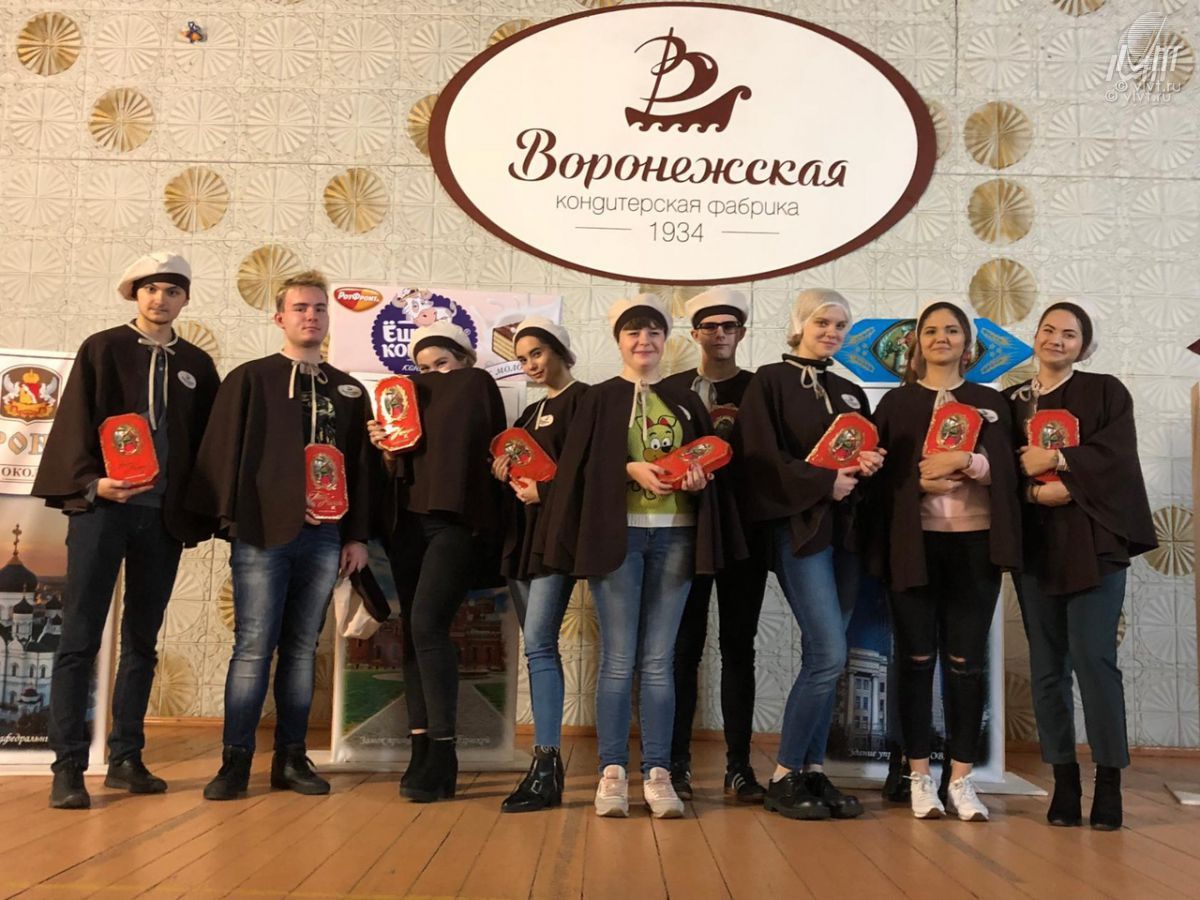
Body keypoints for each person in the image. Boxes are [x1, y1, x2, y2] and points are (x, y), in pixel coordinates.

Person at [33, 251, 219, 810]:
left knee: (142, 640)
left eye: (172, 290)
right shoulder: (103, 348)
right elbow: (74, 422)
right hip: (103, 513)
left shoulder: (197, 364)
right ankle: (68, 767)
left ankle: (126, 759)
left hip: (161, 519)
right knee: (79, 637)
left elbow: (210, 442)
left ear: (185, 299)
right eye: (151, 289)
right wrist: (92, 484)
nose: (161, 299)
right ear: (135, 294)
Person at [542, 294, 731, 819]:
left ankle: (659, 772)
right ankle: (611, 772)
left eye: (653, 332)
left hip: (677, 536)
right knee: (619, 660)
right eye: (634, 332)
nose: (644, 341)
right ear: (619, 340)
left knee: (659, 662)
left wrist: (698, 480)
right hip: (617, 538)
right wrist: (628, 468)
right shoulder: (598, 398)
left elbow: (705, 460)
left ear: (665, 340)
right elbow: (578, 471)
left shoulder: (685, 400)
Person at [189, 270, 372, 801]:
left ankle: (291, 759)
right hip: (263, 535)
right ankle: (235, 762)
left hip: (326, 538)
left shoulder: (349, 390)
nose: (310, 316)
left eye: (319, 308)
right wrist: (235, 520)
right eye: (300, 308)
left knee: (301, 650)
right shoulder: (251, 379)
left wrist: (356, 536)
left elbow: (361, 468)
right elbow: (224, 454)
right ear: (280, 317)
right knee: (252, 648)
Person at [870, 297, 1021, 821]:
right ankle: (918, 774)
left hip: (975, 545)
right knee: (915, 661)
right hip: (915, 547)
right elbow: (880, 482)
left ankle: (961, 778)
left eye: (952, 330)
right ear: (917, 341)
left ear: (967, 343)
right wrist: (919, 482)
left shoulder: (990, 401)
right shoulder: (896, 404)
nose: (941, 338)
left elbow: (1009, 471)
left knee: (966, 663)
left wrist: (971, 462)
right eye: (931, 330)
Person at [1008, 299, 1156, 830]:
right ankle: (1064, 781)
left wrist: (1060, 463)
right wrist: (1033, 493)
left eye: (1069, 334)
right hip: (1038, 548)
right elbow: (1001, 473)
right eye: (1048, 330)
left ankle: (1109, 782)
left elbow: (1118, 457)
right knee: (1048, 667)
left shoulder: (1105, 392)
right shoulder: (1013, 402)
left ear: (1084, 346)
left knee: (1095, 661)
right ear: (1035, 337)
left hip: (1095, 545)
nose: (1056, 340)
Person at [736, 288, 884, 820]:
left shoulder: (850, 391)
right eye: (823, 322)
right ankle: (784, 776)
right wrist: (824, 482)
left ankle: (813, 770)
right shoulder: (770, 382)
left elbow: (856, 460)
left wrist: (867, 466)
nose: (832, 332)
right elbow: (758, 458)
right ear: (800, 324)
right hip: (800, 532)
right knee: (827, 652)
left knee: (830, 655)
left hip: (846, 536)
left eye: (841, 325)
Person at [368, 320, 507, 803]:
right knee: (414, 630)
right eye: (423, 368)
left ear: (464, 360)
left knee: (427, 625)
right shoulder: (407, 399)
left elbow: (471, 446)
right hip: (407, 523)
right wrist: (387, 448)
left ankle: (444, 751)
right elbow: (399, 469)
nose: (431, 376)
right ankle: (422, 748)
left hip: (454, 523)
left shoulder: (475, 385)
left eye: (441, 364)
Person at [659, 287, 769, 802]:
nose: (720, 334)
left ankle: (739, 766)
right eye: (710, 327)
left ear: (741, 333)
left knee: (738, 648)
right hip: (683, 530)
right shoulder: (670, 389)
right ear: (695, 333)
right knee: (682, 649)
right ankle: (676, 763)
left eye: (729, 326)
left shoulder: (760, 388)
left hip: (744, 532)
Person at [494, 318, 588, 813]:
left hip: (558, 539)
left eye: (537, 353)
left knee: (539, 644)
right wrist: (505, 472)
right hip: (523, 537)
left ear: (560, 351)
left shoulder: (586, 401)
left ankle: (547, 765)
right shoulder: (531, 412)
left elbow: (592, 473)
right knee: (538, 648)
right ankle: (545, 764)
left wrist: (544, 493)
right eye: (523, 357)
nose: (530, 364)